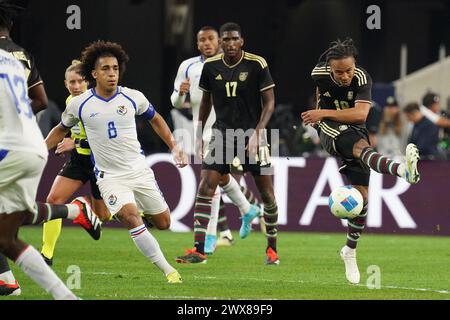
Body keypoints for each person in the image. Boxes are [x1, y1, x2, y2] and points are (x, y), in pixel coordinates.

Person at [45, 40, 187, 284]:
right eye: (105, 69)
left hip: (139, 171)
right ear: (94, 73)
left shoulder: (133, 97)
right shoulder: (80, 104)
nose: (112, 74)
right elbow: (60, 129)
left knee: (164, 223)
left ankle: (88, 211)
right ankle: (169, 271)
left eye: (115, 68)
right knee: (131, 216)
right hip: (109, 176)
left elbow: (156, 119)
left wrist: (174, 147)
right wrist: (38, 150)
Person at [0, 1, 100, 296]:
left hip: (9, 146)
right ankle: (19, 282)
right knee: (8, 231)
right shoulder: (19, 57)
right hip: (31, 144)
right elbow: (40, 100)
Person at [301, 38, 420, 284]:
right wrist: (322, 115)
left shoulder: (362, 78)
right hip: (329, 129)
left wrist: (321, 110)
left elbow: (361, 114)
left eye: (349, 70)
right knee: (360, 148)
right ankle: (402, 171)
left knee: (362, 197)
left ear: (355, 64)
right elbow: (320, 91)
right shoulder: (318, 73)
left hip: (355, 127)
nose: (345, 76)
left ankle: (350, 251)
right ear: (329, 68)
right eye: (339, 72)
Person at [176, 22, 279, 265]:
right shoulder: (210, 67)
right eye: (226, 40)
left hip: (254, 135)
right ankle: (199, 250)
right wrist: (200, 134)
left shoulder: (257, 63)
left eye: (235, 39)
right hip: (221, 134)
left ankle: (272, 249)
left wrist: (258, 133)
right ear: (221, 43)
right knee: (205, 187)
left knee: (267, 195)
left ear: (242, 41)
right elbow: (205, 102)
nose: (231, 43)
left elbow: (270, 102)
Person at [40, 60, 111, 266]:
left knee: (103, 216)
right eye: (72, 82)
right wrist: (42, 149)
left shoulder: (99, 101)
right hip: (79, 160)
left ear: (88, 82)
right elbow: (65, 129)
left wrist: (75, 141)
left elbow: (106, 136)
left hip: (101, 161)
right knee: (53, 200)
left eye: (80, 81)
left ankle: (82, 209)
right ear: (66, 84)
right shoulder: (71, 100)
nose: (76, 86)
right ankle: (47, 253)